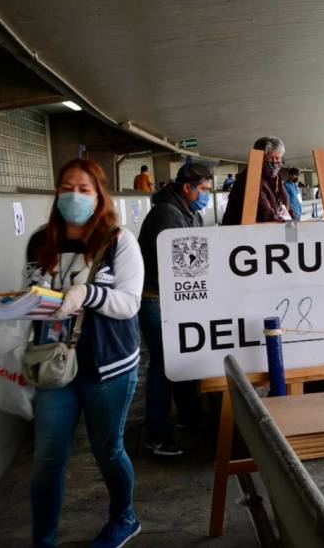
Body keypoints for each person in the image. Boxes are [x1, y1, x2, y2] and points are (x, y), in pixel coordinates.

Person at [25, 159, 144, 548]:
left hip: (107, 366)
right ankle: (43, 539)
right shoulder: (41, 241)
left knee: (108, 451)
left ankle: (124, 518)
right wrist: (20, 304)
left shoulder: (118, 240)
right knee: (46, 460)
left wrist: (85, 294)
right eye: (66, 187)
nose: (73, 195)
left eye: (84, 189)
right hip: (55, 364)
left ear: (99, 195)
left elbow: (129, 302)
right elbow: (32, 293)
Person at [137, 162, 213, 456]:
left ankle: (188, 417)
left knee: (182, 359)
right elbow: (185, 263)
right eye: (204, 190)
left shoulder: (186, 211)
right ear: (187, 188)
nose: (206, 195)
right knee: (163, 367)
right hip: (156, 299)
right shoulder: (169, 214)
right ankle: (157, 435)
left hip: (172, 298)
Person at [222, 136, 292, 225]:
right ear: (259, 157)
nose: (275, 163)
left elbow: (286, 208)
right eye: (270, 158)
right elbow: (265, 215)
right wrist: (289, 229)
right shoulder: (248, 180)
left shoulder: (276, 179)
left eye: (278, 159)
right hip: (243, 235)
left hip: (271, 231)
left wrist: (292, 228)